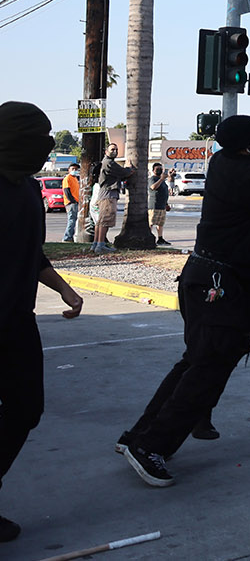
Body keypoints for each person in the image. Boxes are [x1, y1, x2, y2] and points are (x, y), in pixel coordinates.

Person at [117, 115, 250, 487]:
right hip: (223, 283)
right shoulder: (248, 175)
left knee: (194, 363)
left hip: (210, 277)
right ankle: (152, 446)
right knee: (207, 369)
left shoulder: (230, 162)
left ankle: (137, 435)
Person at [0, 102, 84, 543]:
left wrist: (64, 288)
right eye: (38, 136)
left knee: (26, 409)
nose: (47, 145)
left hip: (16, 323)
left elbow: (31, 252)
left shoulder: (29, 190)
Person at [93, 142, 136, 254]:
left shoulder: (107, 163)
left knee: (100, 221)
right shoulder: (109, 163)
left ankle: (96, 244)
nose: (115, 151)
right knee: (105, 220)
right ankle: (100, 245)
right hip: (109, 194)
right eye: (112, 149)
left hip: (105, 194)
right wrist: (129, 167)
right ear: (106, 151)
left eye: (116, 149)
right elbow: (126, 172)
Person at [148, 163, 172, 245]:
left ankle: (160, 239)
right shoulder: (152, 179)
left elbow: (164, 192)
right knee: (151, 223)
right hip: (154, 205)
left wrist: (166, 204)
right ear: (153, 170)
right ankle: (148, 238)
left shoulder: (162, 180)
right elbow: (153, 187)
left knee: (160, 223)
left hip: (162, 205)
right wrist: (161, 179)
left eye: (160, 169)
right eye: (157, 169)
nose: (159, 170)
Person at [61, 163, 80, 242]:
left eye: (76, 169)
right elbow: (66, 191)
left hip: (75, 202)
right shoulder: (67, 178)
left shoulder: (75, 178)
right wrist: (72, 201)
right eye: (73, 169)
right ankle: (67, 237)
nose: (75, 171)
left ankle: (70, 237)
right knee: (71, 220)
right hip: (71, 203)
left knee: (73, 220)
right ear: (69, 170)